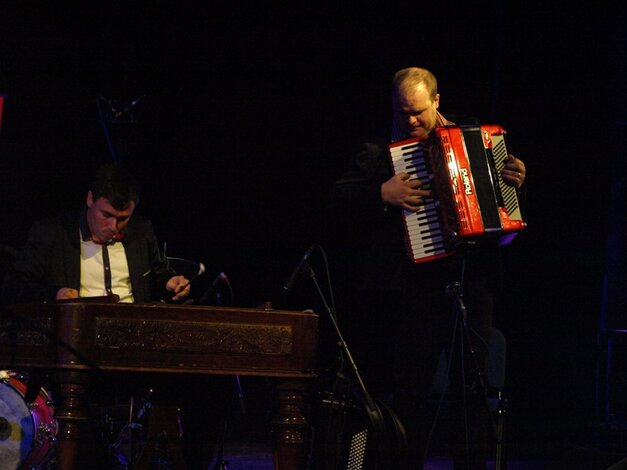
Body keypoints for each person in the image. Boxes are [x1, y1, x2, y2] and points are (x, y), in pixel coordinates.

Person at [325, 67, 526, 469]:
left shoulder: (478, 139)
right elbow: (337, 201)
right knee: (411, 391)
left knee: (471, 387)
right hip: (413, 288)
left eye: (418, 111)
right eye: (403, 113)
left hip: (473, 280)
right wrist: (380, 193)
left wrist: (512, 181)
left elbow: (501, 197)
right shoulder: (379, 149)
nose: (411, 121)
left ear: (436, 101)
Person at [1, 163, 190, 304]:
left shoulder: (141, 230)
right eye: (106, 215)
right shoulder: (52, 233)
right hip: (77, 334)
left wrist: (170, 283)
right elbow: (14, 285)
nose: (113, 226)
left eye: (123, 218)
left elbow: (159, 273)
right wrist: (54, 294)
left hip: (134, 331)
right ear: (90, 199)